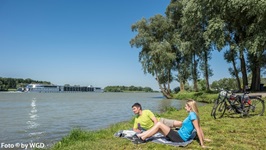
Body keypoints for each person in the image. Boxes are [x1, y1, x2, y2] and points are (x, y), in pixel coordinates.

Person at [133, 100, 208, 148]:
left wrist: (202, 144)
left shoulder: (192, 115)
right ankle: (140, 135)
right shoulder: (192, 114)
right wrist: (204, 139)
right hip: (178, 134)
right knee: (158, 128)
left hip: (180, 138)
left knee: (159, 124)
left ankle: (142, 138)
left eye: (186, 106)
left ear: (190, 107)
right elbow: (199, 127)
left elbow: (198, 129)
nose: (185, 107)